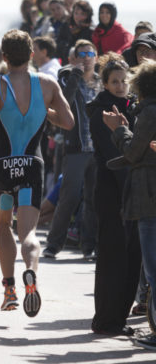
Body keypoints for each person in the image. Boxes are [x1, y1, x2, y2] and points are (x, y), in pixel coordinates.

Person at [0, 29, 74, 316]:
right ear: (32, 54)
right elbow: (69, 122)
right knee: (29, 233)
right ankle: (30, 273)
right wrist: (44, 111)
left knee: (3, 225)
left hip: (3, 166)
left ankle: (9, 289)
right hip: (32, 164)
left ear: (4, 57)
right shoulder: (46, 83)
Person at [86, 53, 141, 336]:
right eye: (114, 82)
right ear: (105, 84)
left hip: (133, 192)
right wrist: (125, 199)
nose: (121, 86)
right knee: (112, 257)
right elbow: (113, 158)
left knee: (132, 257)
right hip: (112, 192)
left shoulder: (134, 107)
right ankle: (106, 320)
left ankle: (119, 319)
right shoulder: (101, 112)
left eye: (124, 80)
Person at [102, 59, 156, 350]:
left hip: (149, 199)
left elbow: (135, 154)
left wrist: (118, 130)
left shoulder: (149, 112)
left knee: (153, 270)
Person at [43, 39, 101, 260]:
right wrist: (75, 75)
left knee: (93, 199)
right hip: (76, 148)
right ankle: (53, 245)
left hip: (97, 150)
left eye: (90, 53)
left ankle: (89, 247)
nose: (86, 58)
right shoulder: (67, 78)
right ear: (75, 58)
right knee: (69, 197)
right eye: (81, 54)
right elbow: (62, 105)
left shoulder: (100, 83)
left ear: (96, 56)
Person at [56, 0, 94, 65]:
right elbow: (58, 45)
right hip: (66, 64)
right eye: (76, 13)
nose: (78, 17)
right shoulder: (66, 26)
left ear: (88, 15)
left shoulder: (91, 31)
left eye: (82, 14)